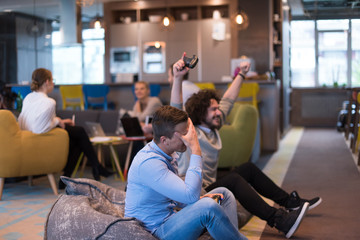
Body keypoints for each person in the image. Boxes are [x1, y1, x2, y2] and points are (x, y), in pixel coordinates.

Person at [171, 53, 322, 239]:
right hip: (193, 194)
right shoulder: (191, 132)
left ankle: (289, 202)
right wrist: (178, 78)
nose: (218, 112)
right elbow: (176, 108)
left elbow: (229, 99)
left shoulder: (214, 125)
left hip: (209, 187)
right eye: (213, 110)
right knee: (233, 179)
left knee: (247, 169)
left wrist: (241, 74)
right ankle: (278, 220)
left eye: (218, 109)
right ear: (201, 113)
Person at [125, 105, 247, 240]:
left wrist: (201, 201)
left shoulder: (166, 153)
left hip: (169, 220)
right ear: (164, 140)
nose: (188, 138)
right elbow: (190, 196)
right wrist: (195, 149)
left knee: (224, 194)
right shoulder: (149, 163)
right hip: (156, 231)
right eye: (183, 134)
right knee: (208, 208)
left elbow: (180, 199)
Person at [18, 68, 113, 189]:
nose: (53, 83)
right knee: (80, 132)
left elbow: (37, 121)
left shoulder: (28, 98)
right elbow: (40, 128)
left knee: (77, 139)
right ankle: (97, 168)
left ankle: (71, 175)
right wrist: (58, 121)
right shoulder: (49, 102)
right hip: (41, 140)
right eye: (52, 80)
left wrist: (60, 121)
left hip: (27, 138)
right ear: (47, 82)